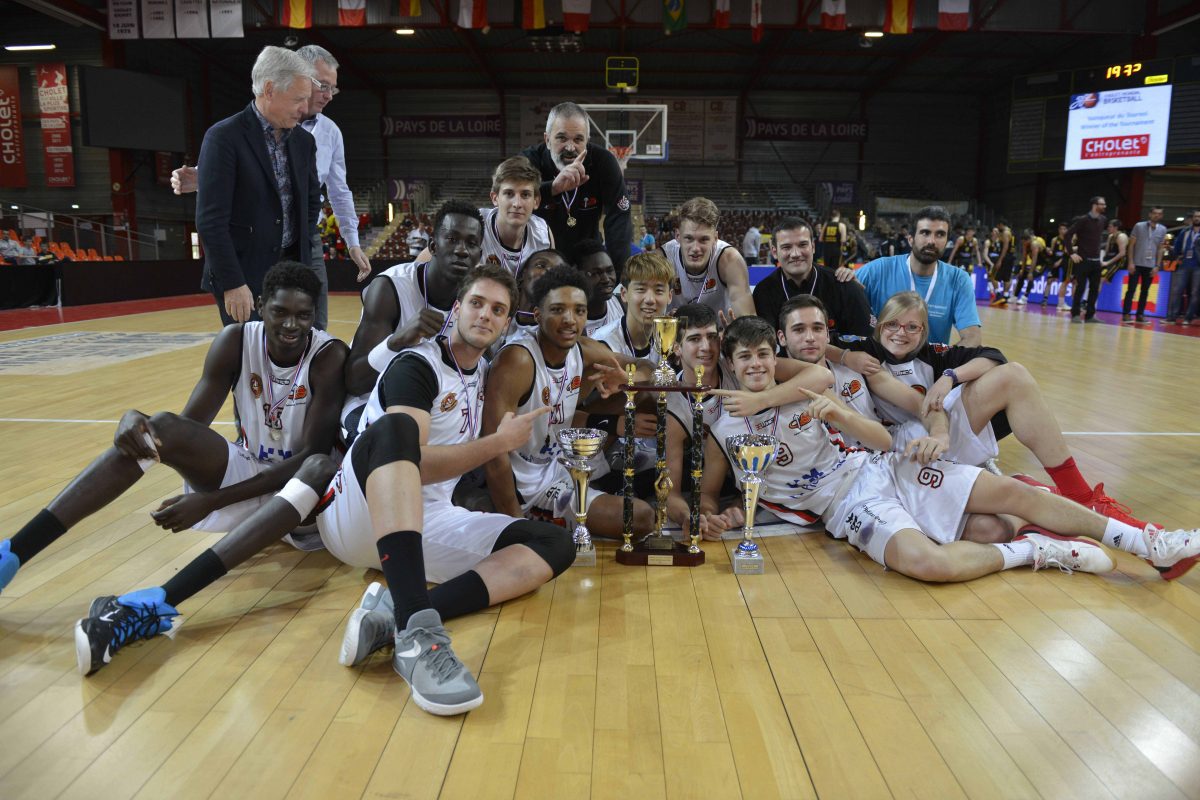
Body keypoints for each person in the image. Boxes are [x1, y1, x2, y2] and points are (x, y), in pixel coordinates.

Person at [69, 266, 573, 717]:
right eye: (477, 303)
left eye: (498, 309)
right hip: (358, 511)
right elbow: (411, 461)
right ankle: (421, 642)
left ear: (508, 323)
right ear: (455, 308)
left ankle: (398, 616)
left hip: (426, 520)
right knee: (393, 435)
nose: (486, 314)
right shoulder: (417, 365)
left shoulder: (484, 372)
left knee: (554, 544)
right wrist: (495, 445)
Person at [695, 315, 1200, 582]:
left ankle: (1149, 543)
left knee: (1011, 497)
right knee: (930, 566)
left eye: (765, 355)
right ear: (731, 362)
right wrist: (717, 515)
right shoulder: (722, 422)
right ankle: (1035, 550)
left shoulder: (809, 385)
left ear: (775, 355)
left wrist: (843, 416)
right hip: (846, 507)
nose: (758, 365)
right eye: (747, 357)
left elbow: (882, 438)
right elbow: (715, 492)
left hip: (882, 467)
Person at [0, 263, 347, 595]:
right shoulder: (236, 341)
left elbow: (311, 459)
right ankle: (14, 552)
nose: (291, 325)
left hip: (304, 495)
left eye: (303, 315)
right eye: (280, 312)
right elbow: (185, 430)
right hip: (251, 469)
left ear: (314, 314)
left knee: (308, 469)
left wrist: (211, 501)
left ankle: (166, 596)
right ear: (260, 306)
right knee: (157, 429)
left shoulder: (327, 356)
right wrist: (138, 421)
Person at [836, 290, 1147, 528]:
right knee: (1012, 378)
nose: (900, 333)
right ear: (878, 325)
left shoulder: (934, 354)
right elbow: (810, 340)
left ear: (924, 331)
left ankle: (1078, 494)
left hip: (934, 438)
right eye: (892, 324)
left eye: (912, 327)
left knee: (1013, 375)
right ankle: (1065, 496)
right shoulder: (866, 350)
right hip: (899, 450)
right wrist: (843, 356)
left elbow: (993, 355)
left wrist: (949, 377)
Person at [481, 265, 656, 539]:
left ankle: (596, 483)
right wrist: (515, 526)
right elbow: (492, 453)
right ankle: (535, 517)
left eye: (579, 310)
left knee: (642, 393)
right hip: (527, 483)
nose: (570, 319)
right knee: (640, 517)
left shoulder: (582, 349)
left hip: (559, 461)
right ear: (538, 315)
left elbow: (647, 366)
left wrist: (629, 378)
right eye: (558, 309)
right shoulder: (517, 361)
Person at [194, 46, 320, 326]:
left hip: (291, 272)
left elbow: (312, 202)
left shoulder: (304, 142)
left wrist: (301, 253)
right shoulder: (223, 138)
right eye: (298, 99)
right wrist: (232, 282)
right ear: (270, 89)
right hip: (243, 277)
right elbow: (210, 220)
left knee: (292, 358)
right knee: (250, 358)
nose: (304, 109)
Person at [341, 201, 483, 433]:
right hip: (372, 401)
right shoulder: (390, 288)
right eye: (452, 239)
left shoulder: (476, 299)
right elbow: (355, 382)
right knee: (398, 438)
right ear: (433, 246)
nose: (461, 250)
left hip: (432, 401)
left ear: (479, 255)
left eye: (471, 243)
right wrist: (397, 341)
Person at [836, 205, 981, 347]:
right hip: (880, 363)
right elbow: (838, 309)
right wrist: (846, 282)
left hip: (931, 366)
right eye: (925, 233)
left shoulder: (959, 280)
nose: (932, 241)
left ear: (947, 241)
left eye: (940, 234)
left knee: (994, 359)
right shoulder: (877, 269)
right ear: (910, 239)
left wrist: (945, 361)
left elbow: (972, 339)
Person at [520, 101, 631, 277]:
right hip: (540, 257)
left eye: (578, 139)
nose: (570, 147)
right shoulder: (528, 162)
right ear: (547, 140)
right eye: (562, 138)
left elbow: (619, 219)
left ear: (587, 141)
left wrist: (617, 274)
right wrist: (553, 188)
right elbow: (515, 201)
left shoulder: (604, 162)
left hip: (587, 258)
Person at [751, 216, 874, 347]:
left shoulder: (843, 285)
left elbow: (867, 341)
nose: (795, 254)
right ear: (774, 252)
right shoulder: (764, 291)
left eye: (802, 245)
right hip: (788, 367)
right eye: (786, 247)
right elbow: (767, 348)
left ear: (813, 247)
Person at [661, 196, 755, 317]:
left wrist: (732, 333)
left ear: (715, 238)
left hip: (720, 334)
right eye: (689, 238)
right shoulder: (663, 259)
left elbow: (748, 319)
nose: (695, 248)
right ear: (677, 235)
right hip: (674, 334)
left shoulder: (729, 260)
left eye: (704, 239)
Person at [1064, 196, 1108, 323]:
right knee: (1080, 287)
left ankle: (1090, 316)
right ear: (1095, 205)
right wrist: (1072, 253)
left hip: (1096, 261)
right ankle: (1076, 314)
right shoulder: (1083, 220)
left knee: (1094, 289)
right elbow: (1068, 235)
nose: (1104, 206)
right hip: (1083, 260)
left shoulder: (1103, 219)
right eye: (1102, 204)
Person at [1123, 207, 1167, 324]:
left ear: (1161, 216)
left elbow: (1160, 249)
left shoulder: (1163, 229)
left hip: (1151, 265)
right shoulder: (1139, 226)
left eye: (1159, 214)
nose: (1157, 215)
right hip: (1136, 263)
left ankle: (1140, 315)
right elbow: (1131, 245)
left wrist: (1157, 266)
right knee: (1131, 289)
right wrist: (1130, 262)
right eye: (1155, 213)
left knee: (1145, 291)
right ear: (1150, 214)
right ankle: (1126, 314)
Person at [575, 238, 623, 336]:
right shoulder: (569, 320)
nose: (606, 279)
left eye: (610, 271)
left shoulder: (623, 306)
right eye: (595, 273)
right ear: (578, 275)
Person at [1167, 208, 1200, 326]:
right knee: (1177, 291)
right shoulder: (1185, 232)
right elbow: (1177, 247)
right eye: (1195, 216)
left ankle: (1188, 318)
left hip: (1198, 267)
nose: (1197, 218)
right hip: (1184, 265)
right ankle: (1172, 317)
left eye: (1199, 217)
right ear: (1193, 218)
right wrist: (1177, 256)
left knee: (1195, 293)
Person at [1011, 228, 1044, 306]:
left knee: (1030, 276)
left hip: (1042, 264)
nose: (1024, 244)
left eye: (1024, 242)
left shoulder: (1035, 244)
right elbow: (1024, 257)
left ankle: (1025, 298)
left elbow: (1035, 259)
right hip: (1034, 262)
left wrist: (1031, 272)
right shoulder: (1026, 244)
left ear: (1028, 240)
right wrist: (1022, 269)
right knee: (1021, 275)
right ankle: (1015, 296)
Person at [988, 220, 1015, 306]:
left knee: (994, 276)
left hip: (1006, 257)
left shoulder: (1005, 233)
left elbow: (1005, 247)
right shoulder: (1009, 232)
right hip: (1010, 257)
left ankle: (1000, 296)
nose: (997, 228)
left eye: (998, 226)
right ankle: (1005, 297)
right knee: (1006, 278)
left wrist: (1000, 260)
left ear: (1001, 225)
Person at [1046, 222, 1072, 309]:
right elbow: (1052, 252)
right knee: (1050, 280)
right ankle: (1045, 299)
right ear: (1058, 230)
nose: (1062, 231)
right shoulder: (1054, 240)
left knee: (1065, 281)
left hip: (1064, 261)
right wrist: (1049, 251)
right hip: (1055, 261)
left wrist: (1059, 261)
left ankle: (1061, 303)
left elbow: (1066, 253)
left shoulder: (1069, 239)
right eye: (1061, 229)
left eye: (1064, 229)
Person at [1101, 219, 1128, 283]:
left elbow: (1122, 253)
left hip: (1120, 261)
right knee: (1096, 274)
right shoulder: (1110, 236)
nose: (1108, 228)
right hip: (1111, 258)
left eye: (1110, 226)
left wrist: (1108, 263)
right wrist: (1103, 261)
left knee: (1102, 278)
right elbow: (1107, 252)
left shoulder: (1121, 237)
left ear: (1115, 228)